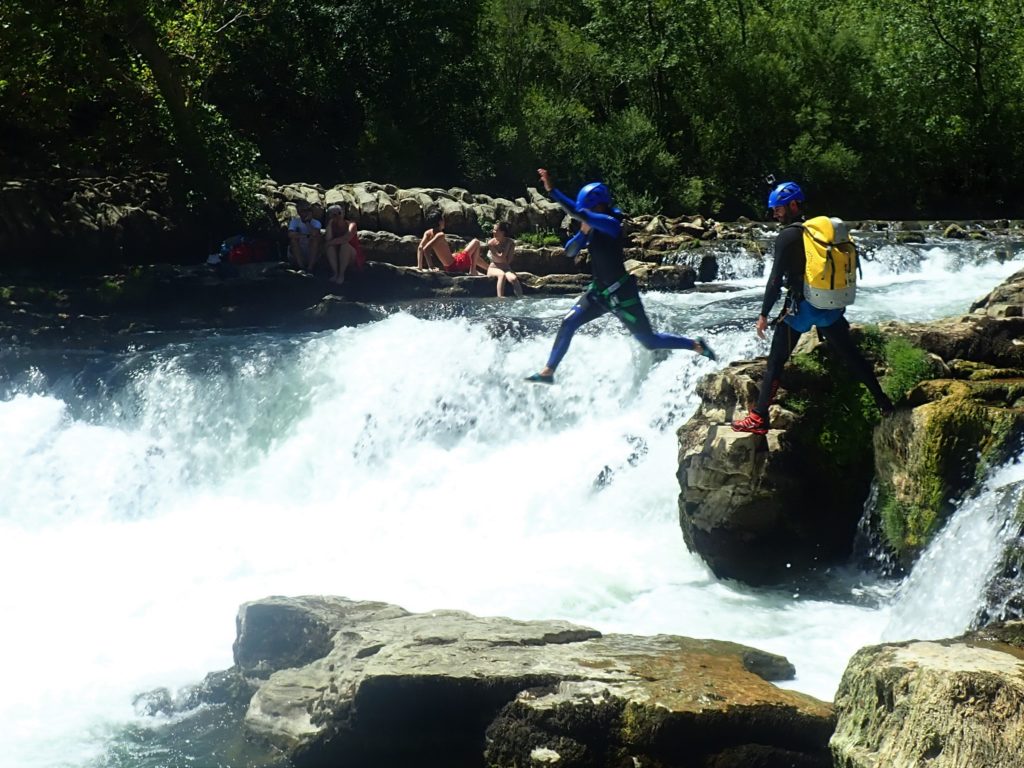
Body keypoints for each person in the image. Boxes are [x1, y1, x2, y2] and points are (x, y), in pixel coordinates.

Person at [731, 181, 894, 435]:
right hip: (828, 305)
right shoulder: (817, 232)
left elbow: (775, 279)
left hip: (801, 310)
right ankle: (883, 402)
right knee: (851, 355)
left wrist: (763, 313)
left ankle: (759, 417)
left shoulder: (788, 236)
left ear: (794, 204)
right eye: (774, 209)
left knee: (775, 362)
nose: (775, 214)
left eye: (779, 209)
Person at [526, 168, 715, 384]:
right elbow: (570, 251)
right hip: (598, 293)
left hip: (622, 294)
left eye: (587, 209)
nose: (584, 213)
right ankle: (548, 372)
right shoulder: (592, 227)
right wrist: (582, 233)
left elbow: (580, 214)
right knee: (568, 323)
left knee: (649, 341)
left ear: (599, 206)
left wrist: (553, 191)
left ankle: (695, 345)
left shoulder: (611, 224)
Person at [416, 212, 490, 274]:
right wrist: (431, 266)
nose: (444, 222)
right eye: (443, 219)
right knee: (476, 242)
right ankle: (473, 271)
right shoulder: (440, 235)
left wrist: (420, 267)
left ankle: (489, 269)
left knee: (473, 256)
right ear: (440, 222)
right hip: (455, 265)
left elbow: (420, 248)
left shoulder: (428, 233)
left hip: (449, 266)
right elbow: (426, 249)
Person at [324, 204, 365, 284]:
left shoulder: (351, 225)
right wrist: (329, 225)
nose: (338, 216)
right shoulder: (331, 226)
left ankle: (341, 275)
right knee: (330, 247)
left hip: (351, 255)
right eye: (334, 215)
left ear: (342, 213)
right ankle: (335, 273)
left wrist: (329, 243)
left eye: (339, 213)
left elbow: (346, 239)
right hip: (337, 254)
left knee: (344, 245)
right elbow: (328, 239)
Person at [485, 221, 523, 297]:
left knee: (514, 279)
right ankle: (501, 299)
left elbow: (508, 260)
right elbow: (501, 258)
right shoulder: (491, 243)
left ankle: (521, 298)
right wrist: (506, 248)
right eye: (493, 230)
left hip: (506, 268)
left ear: (502, 232)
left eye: (496, 230)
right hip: (493, 268)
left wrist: (507, 248)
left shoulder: (511, 243)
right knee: (501, 275)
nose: (493, 232)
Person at [287, 201, 323, 271]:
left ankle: (310, 267)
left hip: (311, 251)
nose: (303, 213)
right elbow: (290, 235)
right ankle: (301, 267)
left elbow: (315, 234)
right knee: (293, 241)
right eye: (301, 211)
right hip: (297, 252)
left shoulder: (316, 223)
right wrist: (307, 236)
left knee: (315, 240)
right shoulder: (294, 221)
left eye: (306, 210)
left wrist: (307, 222)